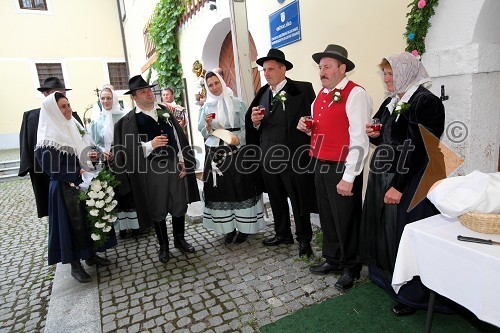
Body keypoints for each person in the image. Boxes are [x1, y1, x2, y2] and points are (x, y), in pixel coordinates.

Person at [359, 52, 448, 314]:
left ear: (407, 73)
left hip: (415, 178)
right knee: (388, 230)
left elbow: (419, 149)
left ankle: (415, 296)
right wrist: (374, 134)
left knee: (408, 232)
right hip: (389, 172)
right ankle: (388, 279)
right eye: (385, 73)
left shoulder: (426, 102)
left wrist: (399, 185)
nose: (387, 79)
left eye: (391, 73)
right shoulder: (393, 100)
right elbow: (384, 135)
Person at [297, 44, 372, 291]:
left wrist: (349, 177)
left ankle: (352, 267)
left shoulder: (355, 94)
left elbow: (360, 139)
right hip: (320, 163)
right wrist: (308, 127)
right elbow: (321, 127)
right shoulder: (320, 95)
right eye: (320, 67)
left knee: (346, 219)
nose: (322, 72)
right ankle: (333, 259)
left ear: (342, 68)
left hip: (342, 167)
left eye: (327, 67)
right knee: (328, 216)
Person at [112, 75, 200, 263]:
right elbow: (127, 151)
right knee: (157, 206)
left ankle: (179, 239)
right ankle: (163, 246)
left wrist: (182, 159)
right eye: (143, 92)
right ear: (134, 97)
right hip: (151, 169)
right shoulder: (129, 121)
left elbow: (177, 137)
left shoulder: (164, 111)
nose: (149, 93)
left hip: (172, 164)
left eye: (149, 90)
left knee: (179, 203)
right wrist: (150, 145)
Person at [35, 92, 115, 283]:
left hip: (84, 182)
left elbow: (85, 150)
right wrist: (77, 171)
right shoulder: (48, 138)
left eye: (68, 105)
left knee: (88, 221)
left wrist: (92, 158)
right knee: (71, 227)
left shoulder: (74, 126)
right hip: (64, 189)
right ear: (53, 111)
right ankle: (75, 265)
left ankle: (90, 255)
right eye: (62, 107)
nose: (68, 109)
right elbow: (52, 169)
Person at [245, 48, 317, 257]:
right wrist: (255, 123)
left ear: (283, 69)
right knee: (276, 198)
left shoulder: (302, 90)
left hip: (294, 157)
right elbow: (255, 126)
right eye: (264, 70)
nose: (266, 73)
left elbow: (313, 122)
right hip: (269, 156)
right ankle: (282, 232)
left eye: (270, 69)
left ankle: (304, 239)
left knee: (298, 199)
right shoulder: (262, 94)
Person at [198, 71, 266, 244]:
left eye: (216, 83)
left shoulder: (237, 103)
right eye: (210, 85)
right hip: (216, 154)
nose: (214, 87)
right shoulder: (205, 107)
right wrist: (207, 125)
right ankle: (227, 228)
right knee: (222, 191)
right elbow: (204, 132)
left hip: (237, 152)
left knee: (241, 188)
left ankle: (245, 228)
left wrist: (237, 140)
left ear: (222, 82)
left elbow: (247, 126)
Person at [19, 77, 82, 218]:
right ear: (46, 94)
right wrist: (28, 166)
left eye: (62, 92)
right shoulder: (32, 116)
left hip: (73, 169)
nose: (60, 94)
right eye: (55, 92)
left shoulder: (72, 116)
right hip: (43, 169)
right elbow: (26, 143)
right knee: (55, 207)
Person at [88, 86, 140, 239]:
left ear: (114, 99)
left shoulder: (125, 116)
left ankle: (136, 225)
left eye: (108, 98)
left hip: (125, 161)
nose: (105, 101)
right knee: (114, 194)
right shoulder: (98, 121)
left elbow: (131, 139)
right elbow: (94, 142)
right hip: (107, 163)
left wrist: (118, 152)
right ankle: (121, 227)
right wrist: (101, 151)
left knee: (128, 192)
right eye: (102, 98)